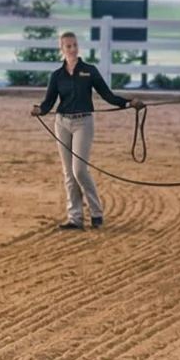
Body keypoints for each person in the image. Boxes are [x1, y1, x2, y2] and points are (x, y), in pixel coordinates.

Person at [31, 30, 145, 230]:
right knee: (68, 173)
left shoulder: (89, 71)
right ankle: (75, 218)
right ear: (62, 49)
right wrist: (39, 110)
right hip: (61, 123)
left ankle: (96, 212)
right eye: (68, 46)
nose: (73, 49)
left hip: (83, 123)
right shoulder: (56, 76)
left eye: (74, 45)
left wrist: (129, 103)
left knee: (79, 170)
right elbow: (49, 103)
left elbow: (108, 96)